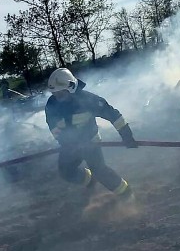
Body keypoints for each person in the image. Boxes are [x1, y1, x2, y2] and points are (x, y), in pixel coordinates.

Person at [44, 68, 138, 199]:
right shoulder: (51, 105)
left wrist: (127, 136)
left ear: (71, 87)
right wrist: (65, 142)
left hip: (90, 142)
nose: (57, 97)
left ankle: (126, 194)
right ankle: (89, 181)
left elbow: (113, 115)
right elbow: (53, 126)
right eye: (55, 94)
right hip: (70, 146)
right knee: (66, 171)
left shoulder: (88, 100)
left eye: (61, 93)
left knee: (100, 171)